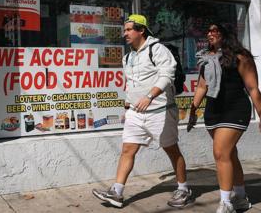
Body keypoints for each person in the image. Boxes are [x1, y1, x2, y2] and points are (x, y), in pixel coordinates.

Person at [92, 14, 192, 208]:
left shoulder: (158, 49)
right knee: (127, 149)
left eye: (129, 30)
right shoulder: (127, 57)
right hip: (136, 113)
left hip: (160, 110)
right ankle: (117, 192)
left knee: (171, 150)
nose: (125, 34)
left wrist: (150, 96)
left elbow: (167, 75)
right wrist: (129, 103)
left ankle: (183, 188)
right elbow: (131, 83)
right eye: (125, 30)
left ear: (141, 30)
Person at [188, 23, 261, 213]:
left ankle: (226, 203)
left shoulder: (241, 57)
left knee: (220, 153)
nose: (210, 34)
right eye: (208, 31)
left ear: (225, 34)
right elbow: (202, 87)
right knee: (229, 155)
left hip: (235, 109)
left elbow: (253, 88)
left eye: (215, 31)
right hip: (213, 111)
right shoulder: (206, 58)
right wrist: (192, 110)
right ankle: (241, 197)